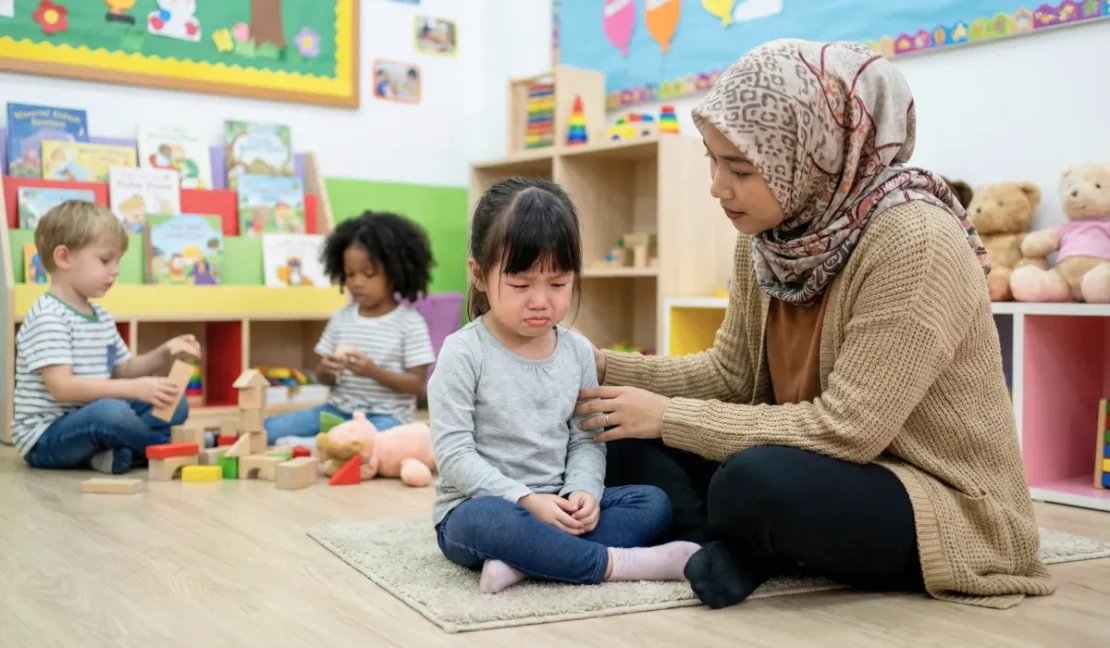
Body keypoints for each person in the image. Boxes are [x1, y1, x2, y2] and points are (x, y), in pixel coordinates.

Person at [573, 39, 1056, 610]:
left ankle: (739, 540)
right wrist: (606, 367)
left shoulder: (914, 241)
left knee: (753, 484)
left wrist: (670, 415)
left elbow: (850, 430)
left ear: (816, 156)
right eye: (712, 158)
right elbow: (730, 374)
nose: (716, 187)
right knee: (616, 433)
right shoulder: (769, 237)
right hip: (819, 461)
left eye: (741, 168)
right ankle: (716, 550)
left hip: (936, 495)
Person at [429, 177, 699, 594]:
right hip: (485, 506)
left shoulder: (576, 352)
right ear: (479, 275)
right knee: (487, 521)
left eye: (558, 284)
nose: (541, 301)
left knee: (651, 502)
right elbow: (453, 455)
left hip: (558, 502)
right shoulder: (463, 352)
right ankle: (615, 564)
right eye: (520, 285)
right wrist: (525, 500)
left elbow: (587, 441)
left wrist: (583, 492)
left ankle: (526, 562)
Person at [15, 201, 196, 473]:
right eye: (104, 260)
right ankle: (164, 450)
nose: (115, 270)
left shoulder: (100, 315)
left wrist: (165, 352)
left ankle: (115, 455)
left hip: (89, 421)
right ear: (64, 258)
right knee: (111, 413)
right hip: (46, 438)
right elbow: (62, 388)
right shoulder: (48, 316)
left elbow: (124, 370)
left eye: (118, 261)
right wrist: (134, 390)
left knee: (173, 399)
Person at [265, 211, 436, 447]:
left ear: (395, 273)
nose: (357, 282)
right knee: (271, 427)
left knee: (373, 443)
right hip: (337, 411)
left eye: (369, 274)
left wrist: (372, 371)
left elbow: (417, 385)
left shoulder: (410, 322)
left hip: (386, 419)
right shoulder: (341, 318)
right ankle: (312, 444)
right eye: (350, 274)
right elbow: (323, 377)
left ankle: (315, 446)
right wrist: (326, 371)